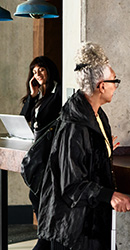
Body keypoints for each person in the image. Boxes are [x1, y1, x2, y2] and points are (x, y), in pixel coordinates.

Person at [37, 42, 130, 250]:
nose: (115, 86)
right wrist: (108, 195)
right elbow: (71, 184)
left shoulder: (97, 115)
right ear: (101, 86)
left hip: (91, 222)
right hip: (74, 229)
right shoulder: (74, 125)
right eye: (114, 81)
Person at [20, 56, 62, 250]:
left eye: (41, 70)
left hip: (49, 150)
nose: (38, 75)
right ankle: (44, 235)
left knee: (39, 193)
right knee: (35, 192)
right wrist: (32, 95)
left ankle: (45, 237)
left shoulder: (58, 92)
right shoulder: (39, 94)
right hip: (37, 148)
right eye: (35, 72)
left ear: (49, 70)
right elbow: (24, 117)